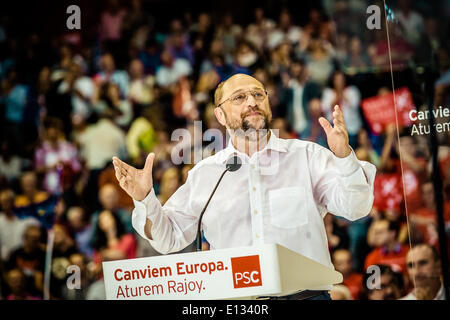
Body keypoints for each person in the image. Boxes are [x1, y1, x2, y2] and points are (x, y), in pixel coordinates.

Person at [112, 73, 376, 300]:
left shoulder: (307, 156)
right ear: (220, 115)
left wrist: (344, 158)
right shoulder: (206, 174)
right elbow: (168, 237)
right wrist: (145, 198)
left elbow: (356, 208)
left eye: (258, 95)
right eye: (239, 97)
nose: (252, 102)